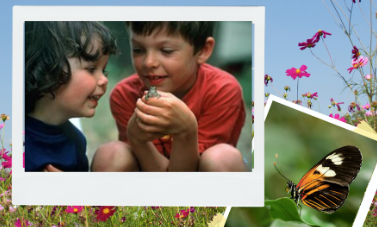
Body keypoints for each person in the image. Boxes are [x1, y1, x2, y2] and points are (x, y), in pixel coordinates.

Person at [92, 21, 247, 172]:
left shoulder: (222, 90)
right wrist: (137, 140)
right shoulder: (125, 95)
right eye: (138, 49)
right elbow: (161, 175)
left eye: (166, 50)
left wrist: (186, 130)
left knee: (223, 158)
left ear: (203, 50)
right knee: (110, 155)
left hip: (203, 187)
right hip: (151, 181)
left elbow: (186, 179)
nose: (149, 62)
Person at [24, 21, 118, 172]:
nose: (104, 80)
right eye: (91, 69)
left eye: (104, 71)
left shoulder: (76, 142)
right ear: (48, 70)